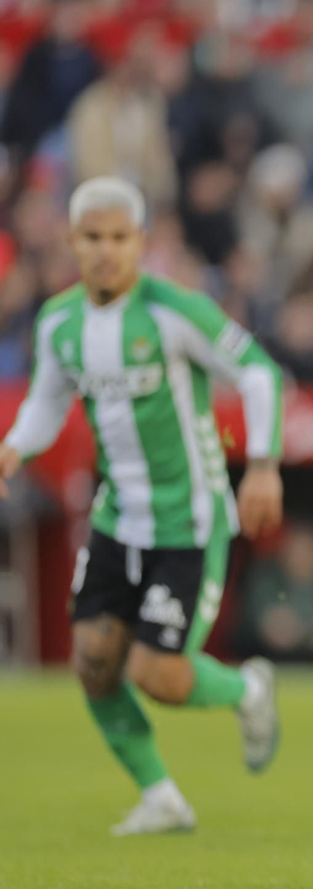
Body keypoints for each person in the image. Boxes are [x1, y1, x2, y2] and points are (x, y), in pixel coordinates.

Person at [0, 177, 285, 837]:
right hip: (115, 517)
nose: (104, 251)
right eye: (92, 238)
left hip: (189, 519)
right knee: (94, 662)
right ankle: (161, 795)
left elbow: (259, 371)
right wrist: (14, 446)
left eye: (118, 238)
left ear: (141, 243)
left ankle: (250, 690)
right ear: (71, 242)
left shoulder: (172, 310)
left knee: (156, 672)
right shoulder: (59, 322)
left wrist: (264, 464)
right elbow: (47, 399)